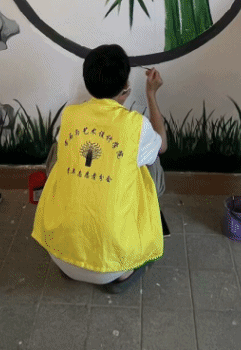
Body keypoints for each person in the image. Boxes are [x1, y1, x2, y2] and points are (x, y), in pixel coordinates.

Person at [32, 44, 166, 292]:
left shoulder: (70, 115)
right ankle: (124, 275)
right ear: (125, 87)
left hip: (59, 253)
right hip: (112, 266)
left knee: (58, 151)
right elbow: (163, 145)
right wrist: (151, 94)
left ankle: (76, 267)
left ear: (87, 82)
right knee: (152, 157)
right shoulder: (135, 125)